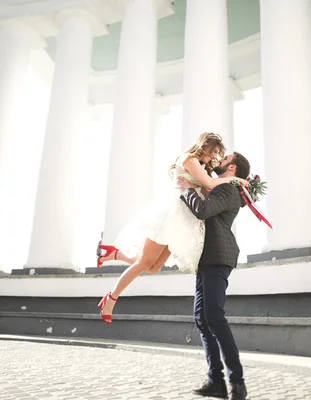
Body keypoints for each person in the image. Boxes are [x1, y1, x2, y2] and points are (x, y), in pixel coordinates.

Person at [97, 133, 249, 324]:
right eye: (214, 153)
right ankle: (111, 299)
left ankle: (116, 255)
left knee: (153, 267)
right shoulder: (189, 159)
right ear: (205, 146)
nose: (214, 158)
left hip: (182, 221)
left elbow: (209, 192)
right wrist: (236, 180)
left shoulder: (203, 167)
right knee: (145, 263)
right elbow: (210, 184)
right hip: (169, 215)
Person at [177, 151, 251, 400]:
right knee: (202, 318)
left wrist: (187, 189)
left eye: (226, 158)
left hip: (218, 256)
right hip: (207, 258)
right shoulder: (220, 186)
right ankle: (215, 381)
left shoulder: (228, 189)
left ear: (233, 169)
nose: (220, 160)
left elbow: (203, 210)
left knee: (214, 318)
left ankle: (237, 383)